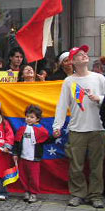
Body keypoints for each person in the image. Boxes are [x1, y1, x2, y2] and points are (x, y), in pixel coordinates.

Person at [53, 45, 105, 208]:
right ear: (73, 61)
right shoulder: (69, 81)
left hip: (98, 128)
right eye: (79, 55)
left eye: (85, 54)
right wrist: (57, 125)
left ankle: (96, 195)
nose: (84, 56)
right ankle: (77, 193)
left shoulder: (99, 78)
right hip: (77, 129)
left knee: (97, 165)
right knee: (76, 165)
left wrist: (100, 98)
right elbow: (62, 105)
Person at [12, 105, 49, 203]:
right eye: (27, 116)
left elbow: (47, 139)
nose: (29, 119)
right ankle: (26, 191)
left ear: (38, 119)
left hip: (34, 159)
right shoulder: (22, 129)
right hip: (23, 157)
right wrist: (15, 153)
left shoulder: (41, 130)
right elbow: (16, 141)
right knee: (23, 176)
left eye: (32, 117)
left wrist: (55, 135)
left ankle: (33, 193)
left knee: (34, 177)